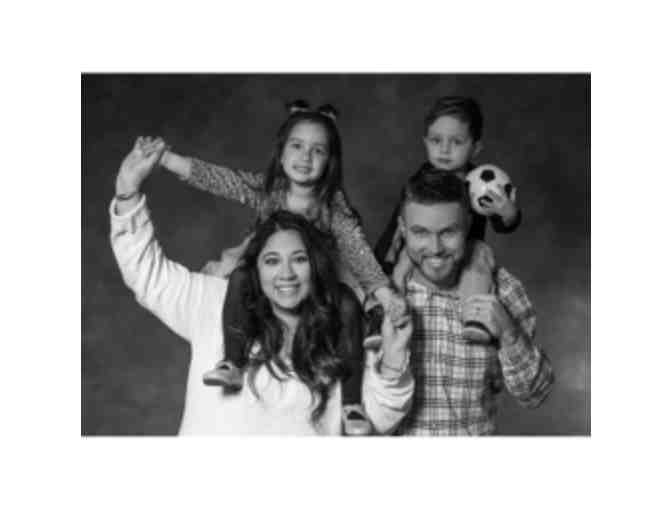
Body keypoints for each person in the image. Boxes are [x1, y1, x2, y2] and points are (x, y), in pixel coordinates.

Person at [110, 138, 415, 435]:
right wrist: (126, 191)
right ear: (254, 266)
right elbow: (147, 274)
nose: (286, 274)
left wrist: (394, 355)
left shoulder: (344, 330)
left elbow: (380, 419)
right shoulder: (212, 303)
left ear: (317, 266)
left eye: (299, 259)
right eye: (271, 261)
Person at [389, 169, 553, 435]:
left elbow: (535, 395)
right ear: (402, 229)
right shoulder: (384, 297)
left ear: (467, 225)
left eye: (448, 232)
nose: (435, 248)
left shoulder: (504, 290)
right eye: (420, 232)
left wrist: (509, 334)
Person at [374, 96, 521, 343]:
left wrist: (508, 212)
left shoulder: (480, 184)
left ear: (475, 148)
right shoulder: (418, 183)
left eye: (456, 142)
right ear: (425, 142)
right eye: (436, 140)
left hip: (465, 250)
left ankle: (475, 320)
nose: (444, 149)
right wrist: (383, 262)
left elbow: (501, 223)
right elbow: (397, 228)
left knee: (480, 261)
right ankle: (383, 321)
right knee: (398, 271)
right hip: (421, 250)